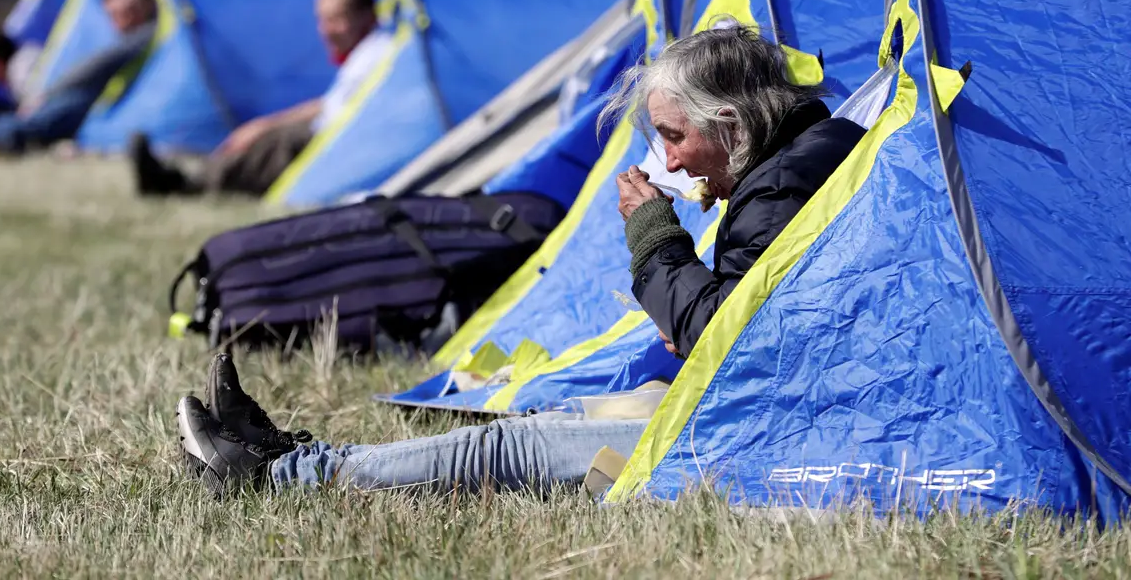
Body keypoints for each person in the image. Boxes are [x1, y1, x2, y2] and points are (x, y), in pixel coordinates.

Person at [173, 27, 869, 499]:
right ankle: (288, 450)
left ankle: (283, 473)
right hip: (777, 405)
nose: (672, 157)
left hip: (775, 433)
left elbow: (727, 333)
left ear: (731, 122)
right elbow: (755, 314)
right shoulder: (806, 154)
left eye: (673, 135)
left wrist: (655, 233)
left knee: (504, 452)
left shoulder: (781, 183)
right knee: (559, 416)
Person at [130, 0, 393, 198]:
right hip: (322, 134)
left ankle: (185, 186)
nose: (325, 31)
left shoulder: (378, 55)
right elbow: (329, 104)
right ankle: (184, 179)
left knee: (278, 144)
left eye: (336, 19)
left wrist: (270, 129)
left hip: (332, 145)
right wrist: (263, 124)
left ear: (367, 16)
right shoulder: (362, 57)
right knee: (266, 137)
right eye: (321, 20)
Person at [0, 0, 157, 154]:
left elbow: (97, 65)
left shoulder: (146, 35)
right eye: (114, 15)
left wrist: (48, 93)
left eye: (130, 11)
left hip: (78, 97)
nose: (122, 21)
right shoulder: (121, 37)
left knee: (47, 116)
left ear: (147, 4)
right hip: (69, 95)